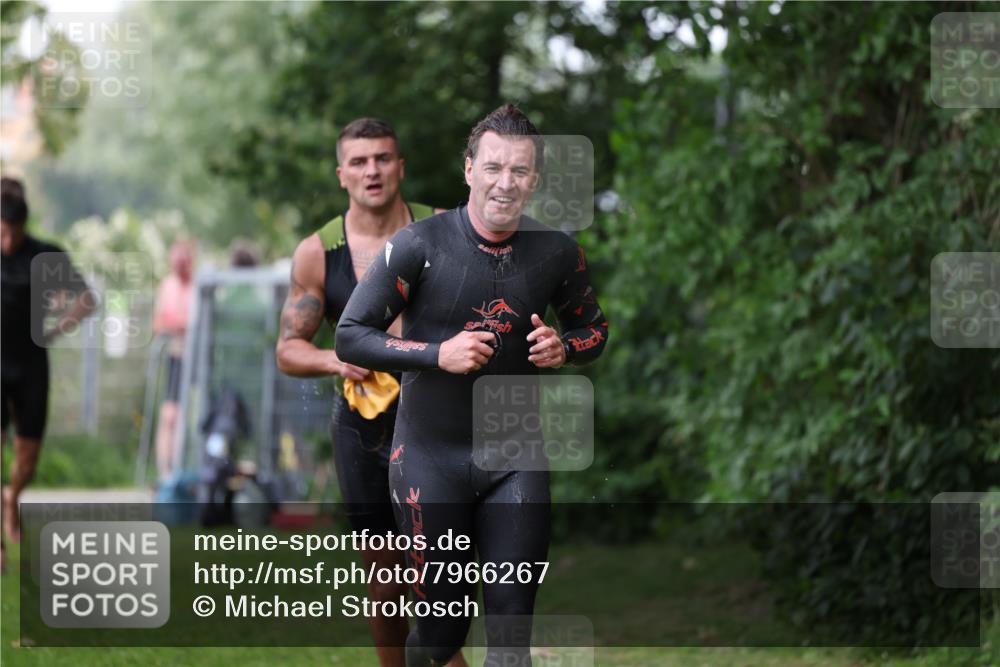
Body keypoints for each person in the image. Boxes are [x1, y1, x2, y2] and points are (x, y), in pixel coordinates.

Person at [335, 104, 609, 666]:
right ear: (469, 170)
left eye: (519, 171)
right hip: (429, 459)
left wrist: (566, 347)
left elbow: (594, 329)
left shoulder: (557, 251)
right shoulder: (419, 244)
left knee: (510, 643)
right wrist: (439, 354)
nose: (504, 183)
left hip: (515, 459)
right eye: (493, 167)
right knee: (441, 635)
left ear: (534, 180)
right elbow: (350, 336)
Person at [275, 118, 465, 667]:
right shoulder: (318, 251)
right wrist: (337, 357)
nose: (372, 170)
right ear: (342, 175)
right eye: (359, 162)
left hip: (439, 418)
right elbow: (289, 349)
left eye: (382, 158)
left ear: (400, 166)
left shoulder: (446, 229)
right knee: (385, 584)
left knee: (434, 571)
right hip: (363, 428)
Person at [1, 178, 95, 566]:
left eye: (14, 234)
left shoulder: (45, 255)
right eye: (2, 233)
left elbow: (86, 299)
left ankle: (12, 497)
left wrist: (57, 328)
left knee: (28, 461)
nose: (7, 242)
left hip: (31, 367)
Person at [152, 239, 195, 480]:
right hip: (176, 357)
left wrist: (182, 323)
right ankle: (166, 471)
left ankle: (184, 468)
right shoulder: (167, 286)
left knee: (189, 416)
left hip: (197, 360)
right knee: (170, 414)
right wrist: (179, 324)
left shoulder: (198, 286)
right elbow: (158, 323)